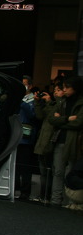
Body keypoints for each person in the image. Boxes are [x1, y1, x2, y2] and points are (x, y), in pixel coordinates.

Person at [48, 76, 83, 207]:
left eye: (67, 87)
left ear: (76, 88)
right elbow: (51, 119)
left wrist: (60, 121)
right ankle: (56, 200)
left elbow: (79, 122)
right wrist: (67, 119)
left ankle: (70, 201)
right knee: (58, 171)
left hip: (74, 141)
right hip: (60, 139)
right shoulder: (62, 101)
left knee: (71, 172)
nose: (64, 90)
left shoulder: (80, 103)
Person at [32, 83, 64, 203]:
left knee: (52, 171)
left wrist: (50, 101)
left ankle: (49, 196)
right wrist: (37, 102)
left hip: (52, 141)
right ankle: (43, 195)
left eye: (59, 90)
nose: (56, 92)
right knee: (43, 172)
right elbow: (40, 116)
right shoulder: (52, 104)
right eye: (55, 90)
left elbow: (52, 118)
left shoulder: (61, 105)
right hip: (43, 140)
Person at [15, 81, 37, 200]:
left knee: (25, 166)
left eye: (25, 84)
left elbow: (32, 115)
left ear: (30, 86)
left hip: (26, 137)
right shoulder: (17, 98)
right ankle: (14, 187)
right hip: (15, 135)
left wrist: (22, 103)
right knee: (16, 165)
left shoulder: (33, 99)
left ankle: (25, 192)